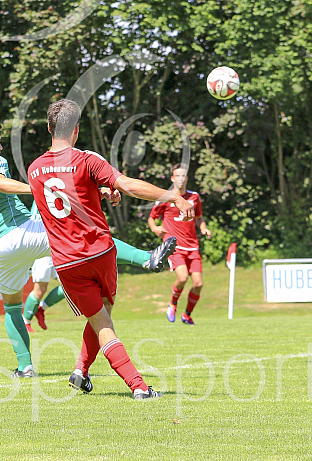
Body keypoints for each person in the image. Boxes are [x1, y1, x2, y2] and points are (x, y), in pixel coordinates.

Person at [0, 118, 176, 378]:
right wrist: (36, 188)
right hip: (23, 233)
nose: (1, 147)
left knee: (12, 307)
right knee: (83, 234)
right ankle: (146, 259)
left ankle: (25, 367)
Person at [27, 99, 195, 399]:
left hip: (65, 261)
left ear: (49, 128)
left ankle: (81, 370)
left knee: (99, 317)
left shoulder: (34, 168)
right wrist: (172, 196)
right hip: (98, 252)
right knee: (104, 321)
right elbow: (127, 184)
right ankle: (139, 387)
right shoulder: (86, 160)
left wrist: (99, 190)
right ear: (76, 129)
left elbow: (62, 196)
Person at [23, 202, 176, 332]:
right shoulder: (44, 182)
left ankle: (41, 309)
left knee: (69, 287)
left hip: (64, 244)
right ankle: (26, 321)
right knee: (40, 289)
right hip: (44, 244)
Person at [148, 163, 211, 325]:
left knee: (198, 284)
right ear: (172, 178)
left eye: (183, 176)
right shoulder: (166, 197)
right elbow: (151, 218)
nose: (181, 179)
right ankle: (173, 303)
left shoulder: (194, 197)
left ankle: (187, 315)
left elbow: (199, 217)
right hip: (174, 245)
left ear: (187, 178)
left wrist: (203, 228)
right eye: (178, 176)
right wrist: (155, 228)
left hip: (192, 246)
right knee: (182, 278)